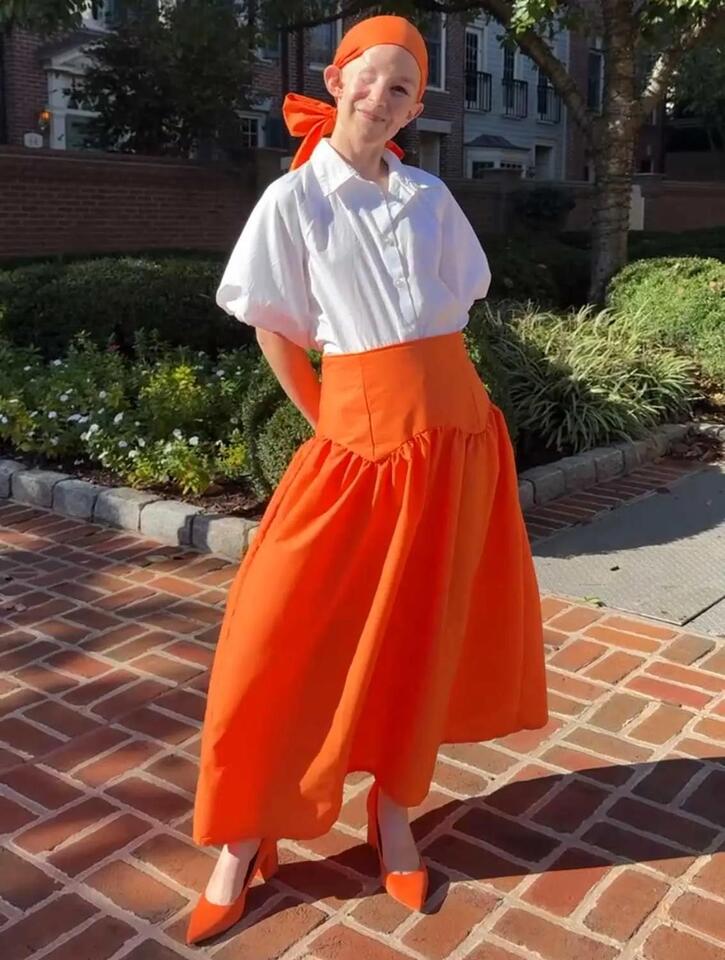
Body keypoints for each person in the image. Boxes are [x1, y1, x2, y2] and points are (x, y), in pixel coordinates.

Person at [187, 14, 549, 946]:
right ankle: (241, 835)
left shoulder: (429, 196)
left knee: (416, 638)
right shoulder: (294, 199)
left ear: (415, 107)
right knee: (277, 634)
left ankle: (393, 817)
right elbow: (275, 326)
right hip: (357, 443)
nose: (381, 99)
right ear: (336, 79)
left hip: (456, 439)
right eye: (370, 78)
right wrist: (328, 422)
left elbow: (453, 313)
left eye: (402, 88)